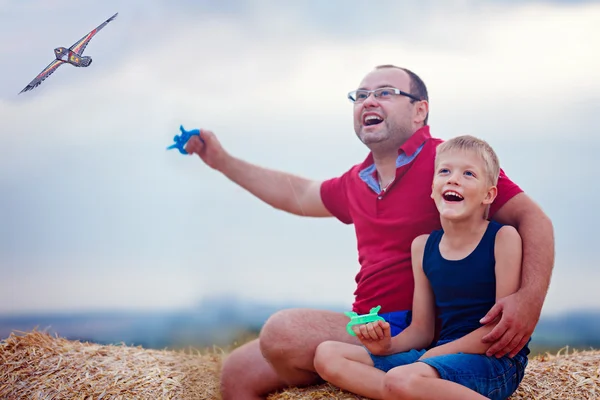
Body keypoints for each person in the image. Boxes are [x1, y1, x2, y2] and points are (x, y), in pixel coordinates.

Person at [183, 65, 554, 400]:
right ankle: (357, 375)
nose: (368, 100)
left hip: (422, 326)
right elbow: (296, 194)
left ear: (419, 110)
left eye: (384, 92)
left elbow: (533, 219)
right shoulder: (356, 181)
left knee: (284, 331)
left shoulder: (448, 164)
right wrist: (220, 160)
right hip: (370, 323)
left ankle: (377, 380)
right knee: (237, 371)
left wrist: (529, 302)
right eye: (360, 96)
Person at [313, 135, 529, 400]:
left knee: (402, 378)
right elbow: (421, 330)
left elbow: (498, 330)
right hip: (437, 355)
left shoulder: (503, 239)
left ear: (489, 194)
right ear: (433, 187)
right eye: (445, 171)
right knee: (327, 354)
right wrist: (386, 346)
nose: (453, 179)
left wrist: (431, 356)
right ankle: (406, 391)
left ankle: (405, 388)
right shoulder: (422, 247)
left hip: (493, 361)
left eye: (468, 174)